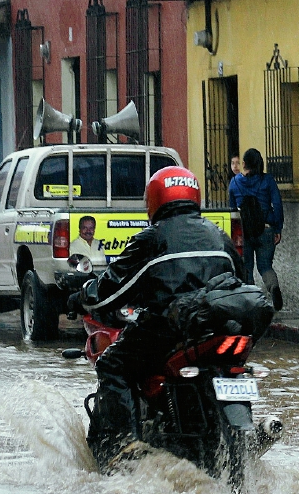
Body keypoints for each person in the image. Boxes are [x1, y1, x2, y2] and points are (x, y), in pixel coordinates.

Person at [71, 166, 245, 470]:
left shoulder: (153, 239)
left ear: (155, 200)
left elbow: (110, 291)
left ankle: (125, 447)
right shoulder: (220, 237)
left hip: (170, 330)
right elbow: (243, 282)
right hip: (220, 329)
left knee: (112, 364)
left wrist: (83, 295)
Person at [228, 148, 284, 310]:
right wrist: (277, 227)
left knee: (247, 268)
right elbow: (278, 204)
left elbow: (232, 210)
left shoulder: (235, 182)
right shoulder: (268, 181)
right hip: (266, 229)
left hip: (244, 232)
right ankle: (273, 288)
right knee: (265, 266)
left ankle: (252, 304)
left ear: (244, 164)